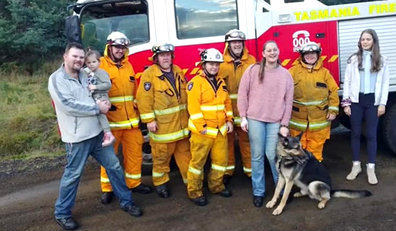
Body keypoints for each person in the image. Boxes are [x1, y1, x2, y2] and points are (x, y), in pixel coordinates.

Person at [48, 43, 143, 231]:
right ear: (65, 56)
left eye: (81, 57)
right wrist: (96, 108)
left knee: (114, 166)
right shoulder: (57, 79)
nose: (79, 60)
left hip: (97, 133)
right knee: (73, 176)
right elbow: (68, 104)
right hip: (77, 138)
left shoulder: (85, 74)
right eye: (75, 56)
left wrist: (103, 101)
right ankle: (62, 213)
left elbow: (97, 93)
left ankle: (126, 201)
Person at [237, 41, 293, 208]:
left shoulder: (285, 75)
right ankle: (258, 192)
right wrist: (243, 117)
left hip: (275, 121)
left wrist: (284, 124)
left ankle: (281, 190)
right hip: (255, 118)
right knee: (257, 156)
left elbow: (288, 101)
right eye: (268, 50)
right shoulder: (253, 70)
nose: (272, 53)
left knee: (272, 155)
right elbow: (242, 93)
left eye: (275, 50)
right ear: (263, 53)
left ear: (279, 52)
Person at [99, 31, 152, 205]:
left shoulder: (128, 65)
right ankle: (107, 189)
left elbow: (134, 92)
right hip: (111, 123)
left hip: (131, 124)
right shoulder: (100, 66)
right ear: (109, 46)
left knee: (135, 155)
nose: (120, 50)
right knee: (109, 158)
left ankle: (134, 183)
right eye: (117, 47)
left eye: (123, 47)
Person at [136, 43, 191, 198]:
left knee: (187, 157)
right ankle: (161, 184)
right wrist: (149, 120)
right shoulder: (149, 74)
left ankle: (191, 182)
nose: (166, 57)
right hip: (163, 129)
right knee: (161, 159)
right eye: (162, 55)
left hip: (182, 127)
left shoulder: (178, 70)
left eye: (168, 54)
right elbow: (143, 99)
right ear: (156, 58)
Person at [186, 48, 234, 206]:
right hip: (203, 132)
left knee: (220, 162)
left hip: (220, 130)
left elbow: (226, 103)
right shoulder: (195, 83)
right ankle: (195, 192)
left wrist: (229, 120)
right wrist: (201, 127)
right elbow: (193, 107)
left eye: (216, 64)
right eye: (211, 64)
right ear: (203, 64)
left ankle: (216, 186)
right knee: (197, 164)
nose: (214, 67)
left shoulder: (221, 82)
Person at [342, 29, 389, 185]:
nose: (365, 42)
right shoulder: (354, 59)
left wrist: (382, 103)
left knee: (371, 134)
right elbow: (347, 81)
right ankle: (356, 166)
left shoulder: (382, 60)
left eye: (368, 39)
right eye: (363, 39)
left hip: (372, 102)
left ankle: (371, 167)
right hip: (356, 101)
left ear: (374, 41)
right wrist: (346, 103)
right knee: (355, 133)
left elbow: (384, 84)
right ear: (360, 41)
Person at [288, 41, 339, 162]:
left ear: (318, 55)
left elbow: (333, 92)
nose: (310, 56)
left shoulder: (325, 73)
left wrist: (333, 110)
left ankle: (314, 175)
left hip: (319, 122)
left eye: (313, 54)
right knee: (297, 152)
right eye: (307, 54)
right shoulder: (292, 72)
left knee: (315, 152)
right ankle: (299, 177)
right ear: (302, 56)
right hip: (297, 122)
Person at [219, 29, 256, 185]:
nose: (237, 45)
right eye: (234, 42)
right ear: (228, 44)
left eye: (239, 42)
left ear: (243, 44)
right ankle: (228, 172)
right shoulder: (220, 63)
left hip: (245, 113)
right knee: (226, 144)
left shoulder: (252, 61)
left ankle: (250, 172)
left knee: (247, 142)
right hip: (226, 113)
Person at [84, 49, 115, 147]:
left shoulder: (101, 72)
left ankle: (108, 134)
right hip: (93, 96)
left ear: (99, 62)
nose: (91, 64)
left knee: (101, 113)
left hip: (101, 96)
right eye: (88, 62)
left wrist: (95, 87)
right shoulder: (87, 73)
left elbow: (108, 85)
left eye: (94, 62)